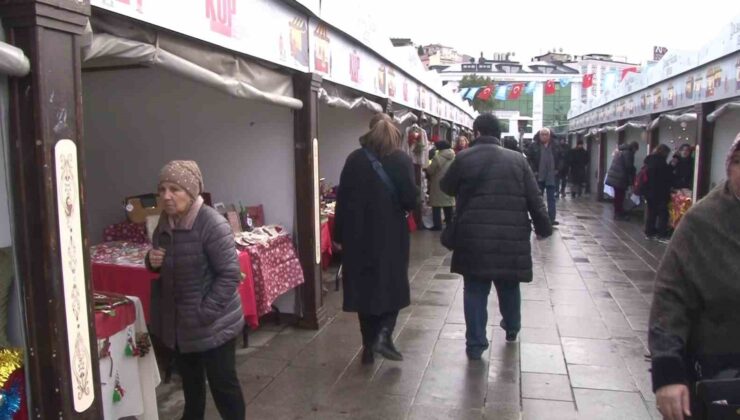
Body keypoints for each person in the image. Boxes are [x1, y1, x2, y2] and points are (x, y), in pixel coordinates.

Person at [440, 114, 552, 360]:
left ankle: (475, 344)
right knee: (509, 285)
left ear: (477, 132)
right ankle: (512, 328)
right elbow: (535, 199)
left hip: (473, 236)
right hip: (510, 236)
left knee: (475, 290)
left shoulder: (464, 158)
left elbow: (445, 187)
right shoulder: (518, 161)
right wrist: (544, 229)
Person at [649, 133, 740, 420]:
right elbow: (670, 298)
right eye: (739, 161)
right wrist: (668, 373)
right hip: (717, 376)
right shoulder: (703, 222)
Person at [146, 160, 245, 420]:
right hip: (181, 326)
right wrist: (152, 261)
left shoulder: (212, 224)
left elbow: (229, 275)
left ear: (191, 192)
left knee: (224, 387)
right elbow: (164, 264)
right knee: (191, 388)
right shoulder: (165, 223)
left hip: (213, 324)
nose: (166, 196)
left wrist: (203, 313)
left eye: (174, 189)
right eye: (162, 189)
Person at [334, 113, 418, 365]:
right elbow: (410, 200)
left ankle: (368, 346)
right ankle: (383, 334)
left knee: (363, 290)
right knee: (394, 286)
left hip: (357, 237)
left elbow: (342, 200)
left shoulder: (354, 159)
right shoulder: (401, 160)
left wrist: (339, 235)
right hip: (391, 235)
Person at [527, 128, 562, 225]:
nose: (544, 136)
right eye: (542, 134)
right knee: (538, 198)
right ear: (539, 135)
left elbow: (562, 158)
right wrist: (534, 170)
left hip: (551, 176)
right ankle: (538, 218)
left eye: (546, 134)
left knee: (552, 198)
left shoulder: (556, 145)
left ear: (550, 135)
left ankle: (551, 218)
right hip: (539, 176)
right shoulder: (534, 146)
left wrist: (558, 169)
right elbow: (529, 159)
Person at [643, 144, 674, 241]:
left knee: (651, 213)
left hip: (649, 191)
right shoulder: (660, 162)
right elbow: (665, 177)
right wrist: (671, 166)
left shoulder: (650, 160)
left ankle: (649, 232)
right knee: (663, 213)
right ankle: (661, 234)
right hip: (659, 192)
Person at [425, 140, 455, 230]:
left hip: (438, 183)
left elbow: (430, 170)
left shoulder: (437, 157)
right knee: (448, 204)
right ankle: (449, 224)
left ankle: (437, 225)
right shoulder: (453, 156)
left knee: (436, 205)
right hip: (450, 182)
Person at [605, 141, 640, 220]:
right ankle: (618, 213)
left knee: (618, 195)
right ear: (634, 148)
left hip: (615, 177)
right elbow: (629, 167)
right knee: (619, 196)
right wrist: (633, 172)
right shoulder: (628, 153)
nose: (635, 152)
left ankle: (618, 211)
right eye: (636, 150)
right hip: (620, 178)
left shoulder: (621, 151)